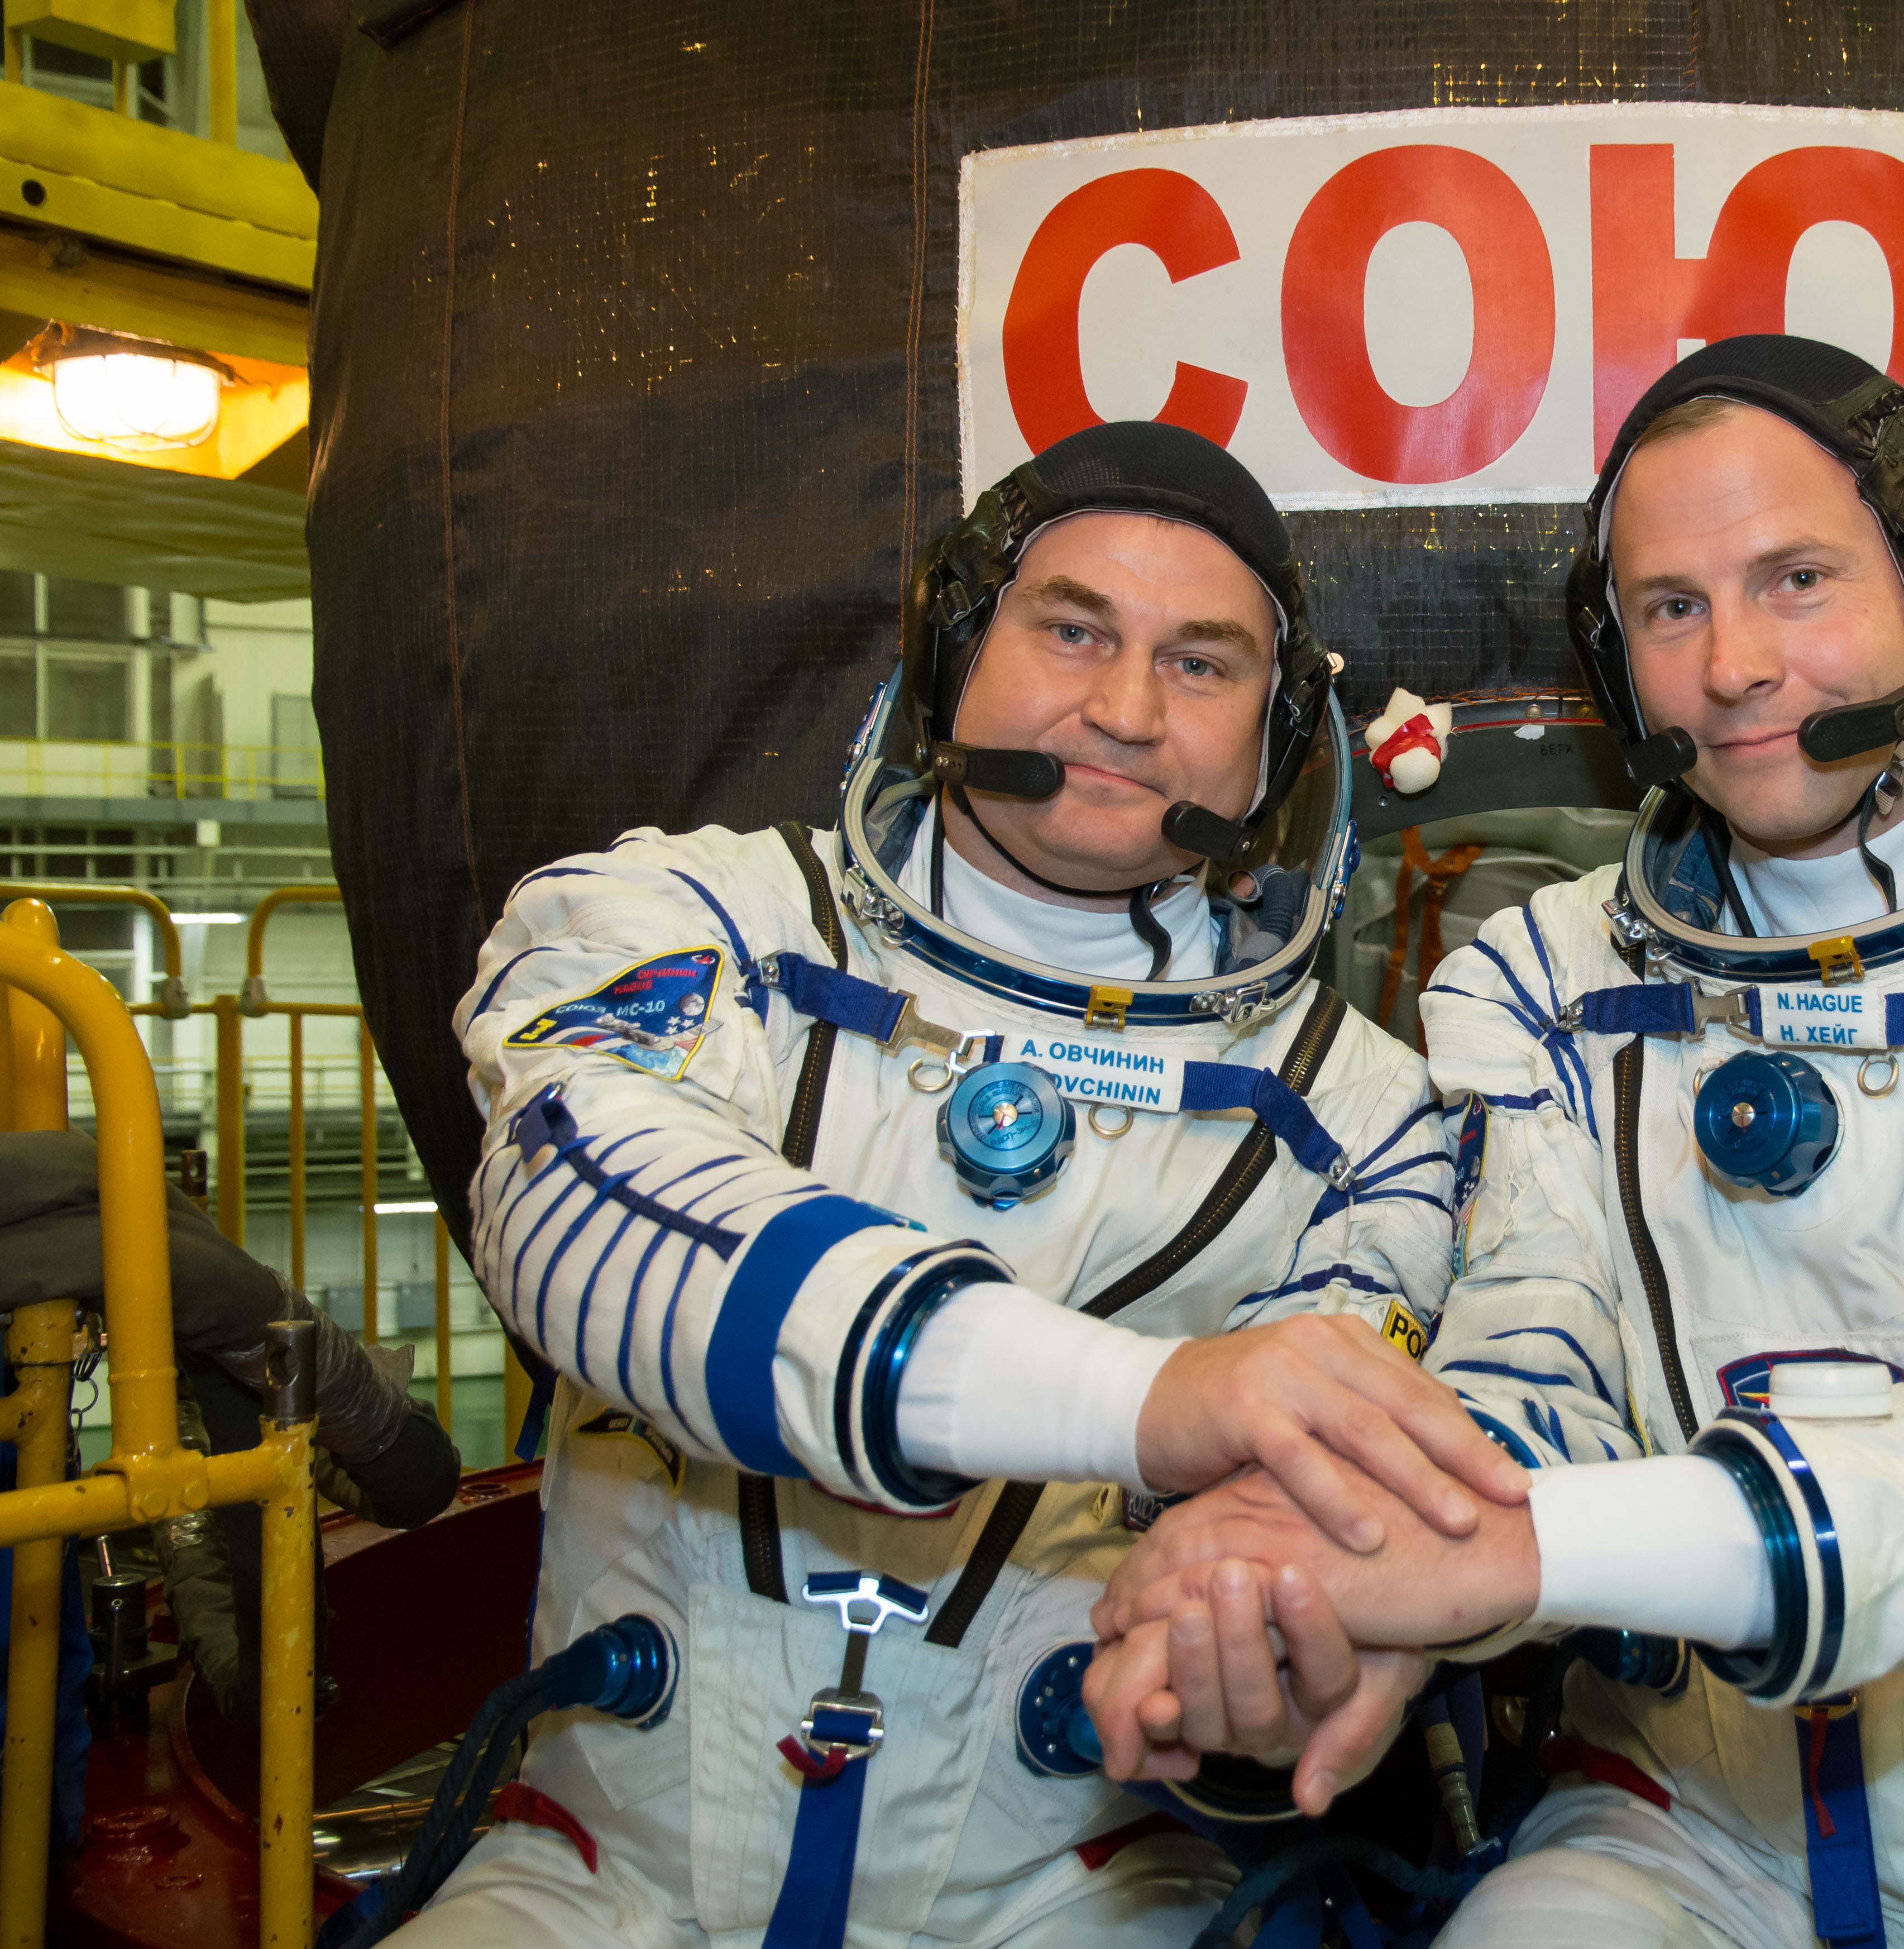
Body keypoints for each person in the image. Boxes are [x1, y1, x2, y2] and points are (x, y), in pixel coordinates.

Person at [1087, 337, 1904, 1949]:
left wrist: (1529, 1555)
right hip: (1678, 1831)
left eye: (1796, 578)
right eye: (1670, 607)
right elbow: (1532, 1375)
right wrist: (1323, 1574)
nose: (1731, 664)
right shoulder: (1547, 983)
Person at [401, 421, 1515, 1949]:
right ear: (947, 656)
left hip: (1072, 1885)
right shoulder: (679, 920)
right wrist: (1155, 1396)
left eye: (1201, 665)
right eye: (1072, 629)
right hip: (598, 1874)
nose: (1124, 710)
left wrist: (1274, 1661)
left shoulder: (1366, 1122)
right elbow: (585, 1222)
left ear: (1275, 739)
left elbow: (1293, 1532)